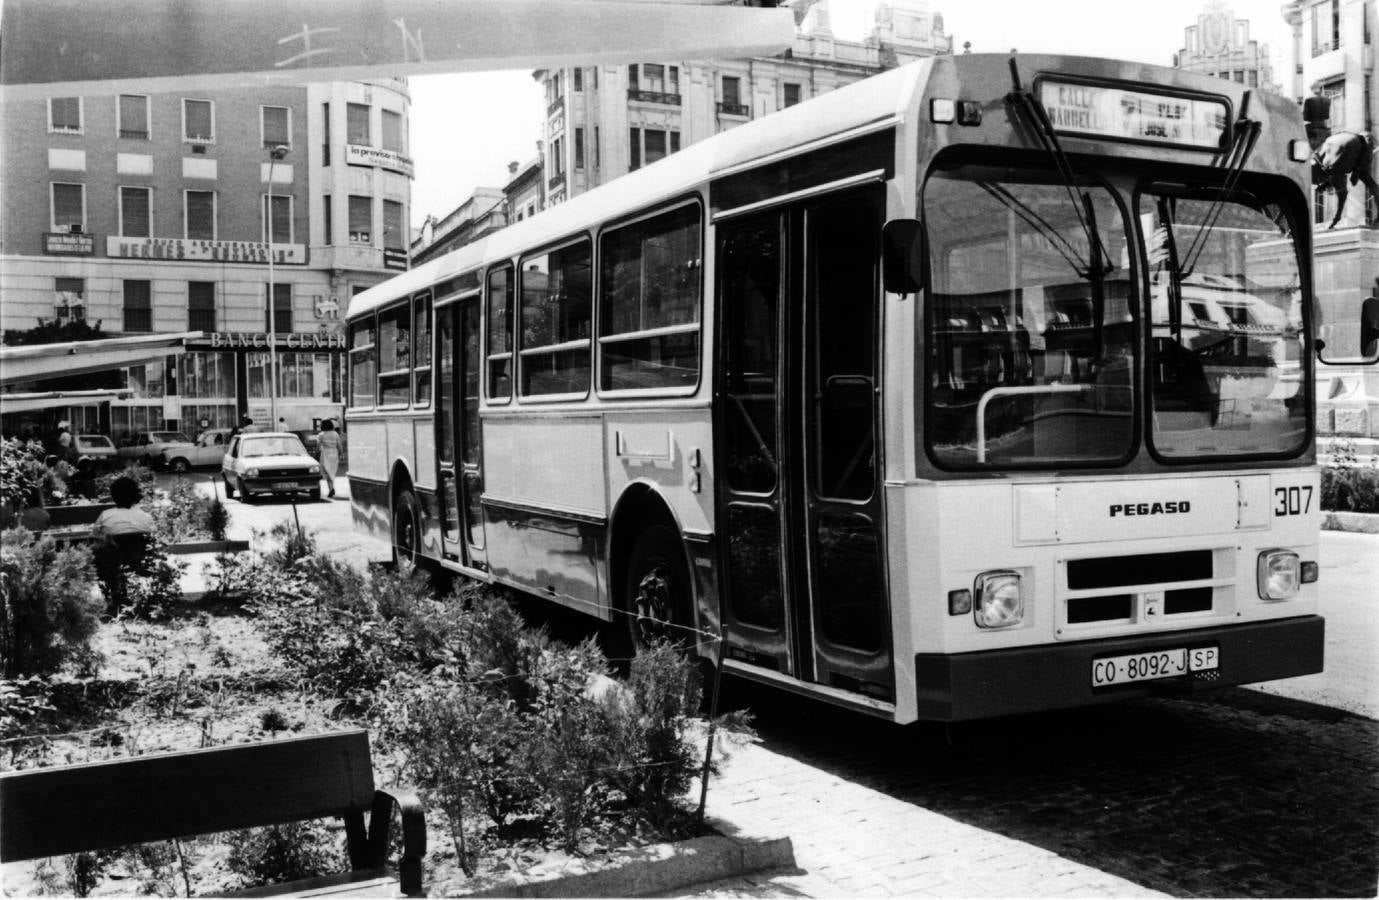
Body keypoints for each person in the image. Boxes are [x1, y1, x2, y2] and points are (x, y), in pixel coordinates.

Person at [317, 419, 342, 498]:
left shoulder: (321, 435)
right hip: (334, 453)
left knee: (327, 472)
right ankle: (331, 489)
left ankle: (331, 489)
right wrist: (340, 453)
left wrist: (317, 453)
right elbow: (339, 446)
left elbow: (317, 447)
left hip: (325, 454)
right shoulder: (335, 434)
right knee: (332, 472)